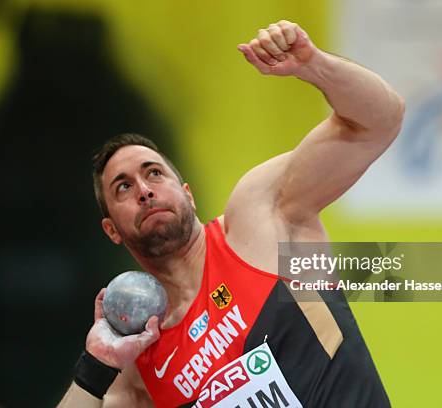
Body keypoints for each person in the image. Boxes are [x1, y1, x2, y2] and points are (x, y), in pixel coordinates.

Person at [58, 20, 404, 408]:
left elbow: (379, 121)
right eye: (123, 187)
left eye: (153, 172)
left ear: (187, 195)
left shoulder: (261, 216)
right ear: (111, 230)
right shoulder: (140, 359)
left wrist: (315, 65)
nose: (144, 190)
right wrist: (97, 365)